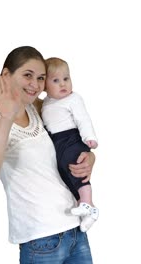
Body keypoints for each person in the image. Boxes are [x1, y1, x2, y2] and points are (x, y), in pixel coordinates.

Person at [0, 46, 95, 263]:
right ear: (6, 75)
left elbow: (71, 138)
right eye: (27, 75)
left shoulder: (41, 108)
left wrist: (90, 158)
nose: (35, 85)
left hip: (75, 229)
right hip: (40, 239)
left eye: (41, 78)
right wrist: (7, 118)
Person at [41, 57, 99, 233]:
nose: (62, 84)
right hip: (57, 142)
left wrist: (90, 138)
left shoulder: (73, 98)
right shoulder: (45, 103)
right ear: (45, 86)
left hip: (72, 138)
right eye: (56, 80)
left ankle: (87, 203)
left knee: (77, 167)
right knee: (65, 172)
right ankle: (87, 210)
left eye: (66, 78)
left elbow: (83, 119)